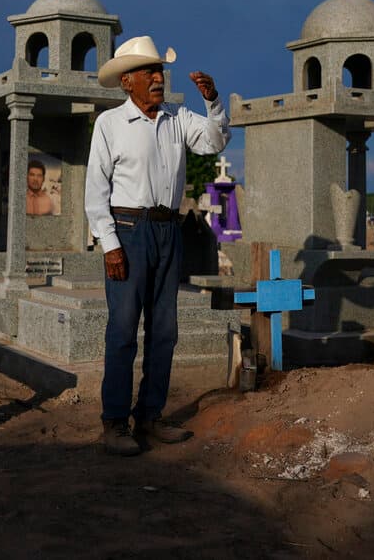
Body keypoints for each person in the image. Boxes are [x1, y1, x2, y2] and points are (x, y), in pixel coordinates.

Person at [85, 35, 230, 456]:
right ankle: (114, 423)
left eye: (159, 72)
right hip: (128, 230)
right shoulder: (110, 124)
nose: (157, 79)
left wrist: (214, 101)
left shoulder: (177, 118)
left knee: (164, 330)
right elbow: (96, 191)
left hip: (170, 231)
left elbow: (215, 141)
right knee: (124, 329)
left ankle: (149, 417)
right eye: (148, 72)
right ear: (127, 82)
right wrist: (109, 244)